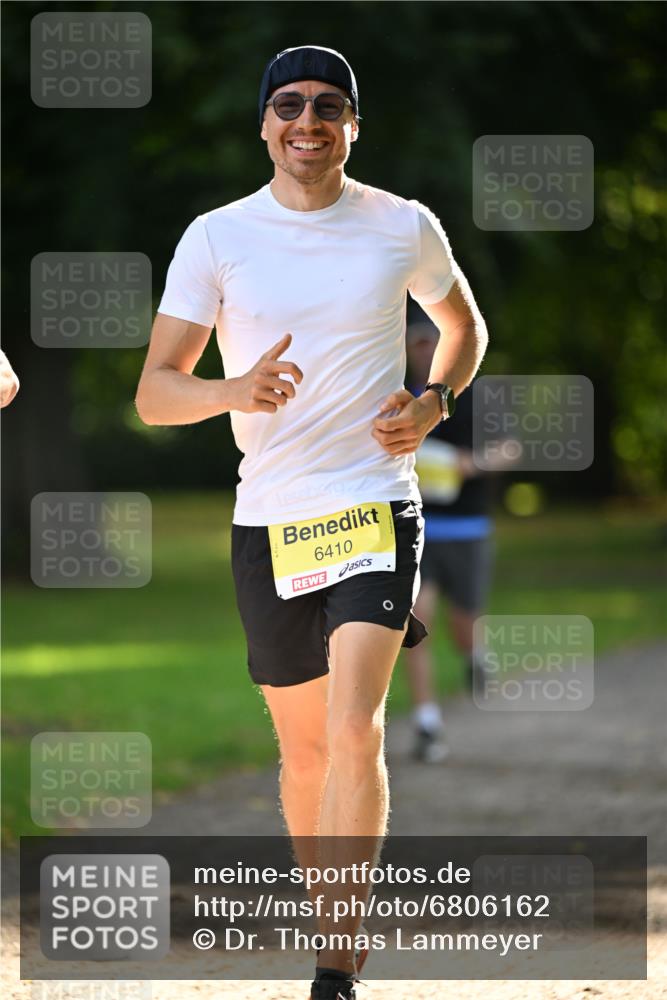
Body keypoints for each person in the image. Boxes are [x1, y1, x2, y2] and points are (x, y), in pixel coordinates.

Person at [136, 45, 488, 999]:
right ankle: (326, 909)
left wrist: (431, 403)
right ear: (263, 123)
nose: (307, 120)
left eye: (328, 105)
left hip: (375, 500)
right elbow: (155, 394)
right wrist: (232, 389)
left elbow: (463, 328)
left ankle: (336, 955)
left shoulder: (400, 226)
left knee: (355, 724)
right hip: (271, 518)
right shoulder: (216, 237)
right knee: (303, 750)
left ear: (352, 125)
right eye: (287, 104)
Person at [404, 318, 495, 765]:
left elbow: (511, 447)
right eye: (418, 344)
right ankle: (427, 722)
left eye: (432, 343)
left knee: (464, 623)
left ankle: (476, 654)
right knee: (417, 623)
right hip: (416, 529)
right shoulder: (396, 394)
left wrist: (471, 463)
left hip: (468, 528)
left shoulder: (473, 394)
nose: (424, 352)